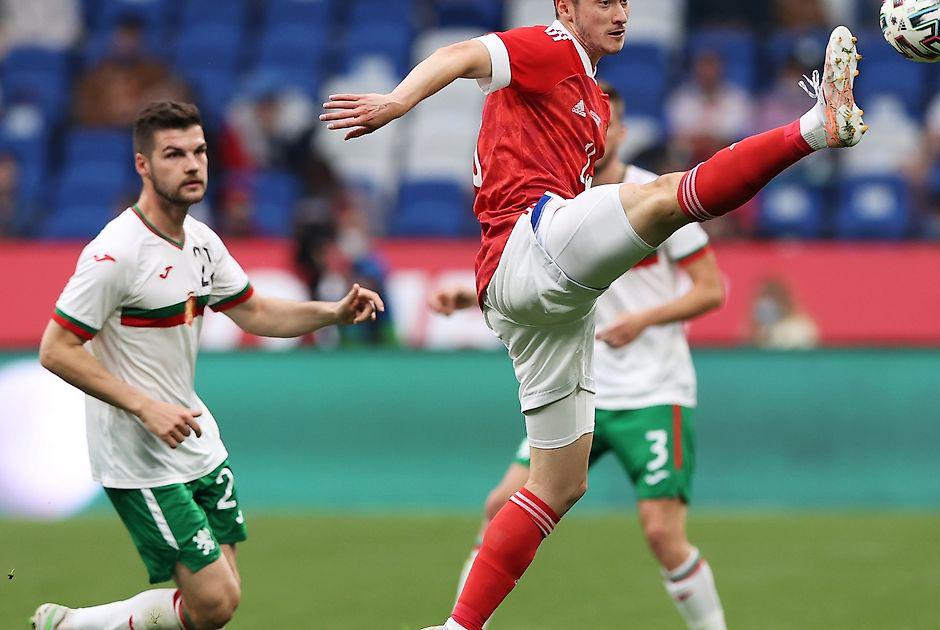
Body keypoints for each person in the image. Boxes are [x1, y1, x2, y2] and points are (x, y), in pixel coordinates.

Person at [320, 2, 866, 627]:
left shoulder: (591, 103)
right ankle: (817, 126)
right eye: (602, 1)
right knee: (667, 195)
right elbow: (461, 54)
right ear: (565, 8)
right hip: (528, 246)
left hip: (530, 297)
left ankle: (457, 626)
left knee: (557, 485)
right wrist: (397, 102)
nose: (619, 12)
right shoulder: (553, 45)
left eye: (624, 1)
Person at [31, 101, 384, 630]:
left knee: (218, 602)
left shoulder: (201, 242)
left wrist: (332, 312)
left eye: (198, 151)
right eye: (174, 154)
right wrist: (145, 406)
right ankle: (73, 627)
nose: (192, 164)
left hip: (193, 434)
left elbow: (255, 312)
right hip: (138, 451)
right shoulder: (115, 254)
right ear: (143, 165)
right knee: (213, 602)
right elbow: (56, 349)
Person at [429, 83, 728, 630]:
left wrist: (643, 319)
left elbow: (712, 290)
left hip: (652, 391)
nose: (601, 129)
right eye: (593, 118)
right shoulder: (562, 195)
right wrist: (468, 296)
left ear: (622, 132)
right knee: (501, 503)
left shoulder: (656, 196)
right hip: (582, 385)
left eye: (611, 121)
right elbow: (534, 281)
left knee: (662, 533)